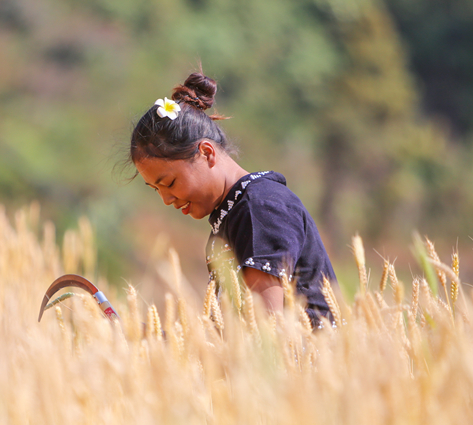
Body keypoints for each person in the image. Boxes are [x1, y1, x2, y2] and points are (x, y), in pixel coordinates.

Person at [129, 72, 335, 323]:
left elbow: (267, 333)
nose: (166, 199)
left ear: (206, 153)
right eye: (155, 189)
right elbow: (233, 334)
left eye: (169, 183)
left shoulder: (260, 208)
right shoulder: (233, 213)